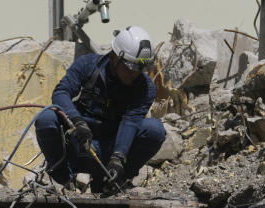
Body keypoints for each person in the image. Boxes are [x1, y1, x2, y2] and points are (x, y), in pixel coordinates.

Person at [34, 25, 166, 193]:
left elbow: (131, 122)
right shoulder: (87, 65)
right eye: (131, 68)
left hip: (110, 149)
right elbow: (61, 92)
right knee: (46, 119)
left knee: (154, 130)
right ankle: (65, 183)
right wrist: (77, 121)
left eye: (141, 68)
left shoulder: (145, 87)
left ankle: (115, 181)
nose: (135, 74)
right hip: (78, 144)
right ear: (113, 57)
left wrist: (118, 159)